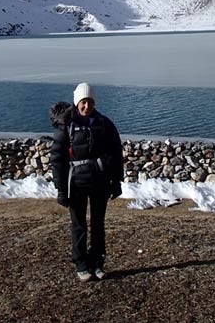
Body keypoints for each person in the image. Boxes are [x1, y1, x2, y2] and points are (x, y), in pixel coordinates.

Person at [49, 82, 124, 282]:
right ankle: (81, 264)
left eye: (90, 102)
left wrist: (116, 181)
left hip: (100, 182)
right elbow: (57, 159)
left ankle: (97, 262)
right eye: (83, 102)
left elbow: (116, 153)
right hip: (75, 184)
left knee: (98, 224)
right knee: (79, 225)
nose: (86, 106)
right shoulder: (66, 126)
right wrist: (61, 189)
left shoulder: (104, 123)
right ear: (77, 102)